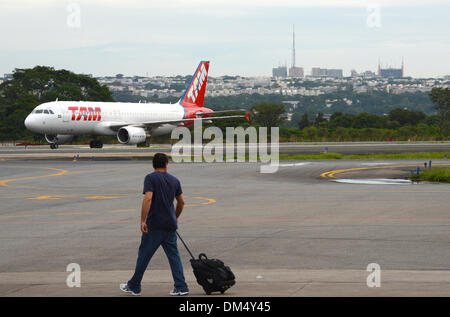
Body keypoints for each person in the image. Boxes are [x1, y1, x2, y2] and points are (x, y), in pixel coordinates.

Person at [120, 153, 188, 296]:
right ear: (166, 164)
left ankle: (134, 286)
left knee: (144, 256)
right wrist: (175, 217)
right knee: (174, 257)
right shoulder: (175, 180)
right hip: (170, 226)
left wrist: (143, 220)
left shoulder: (150, 178)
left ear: (153, 165)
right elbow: (181, 202)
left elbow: (148, 198)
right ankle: (181, 287)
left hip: (155, 225)